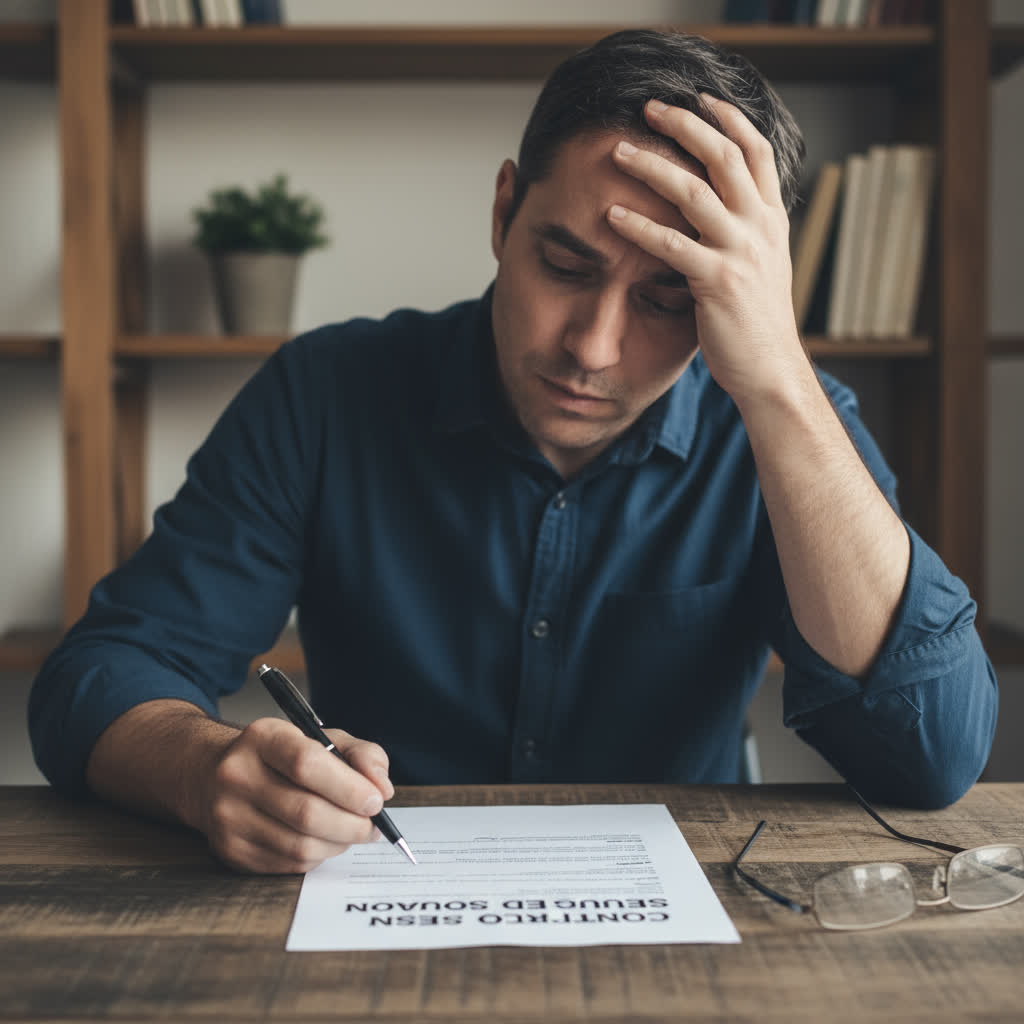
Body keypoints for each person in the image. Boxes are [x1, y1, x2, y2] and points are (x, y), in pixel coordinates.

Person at [29, 29, 997, 875]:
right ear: (502, 215)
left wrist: (778, 378)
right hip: (376, 908)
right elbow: (99, 675)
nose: (592, 346)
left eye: (668, 301)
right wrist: (203, 770)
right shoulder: (326, 394)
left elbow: (934, 752)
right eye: (564, 265)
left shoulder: (783, 424)